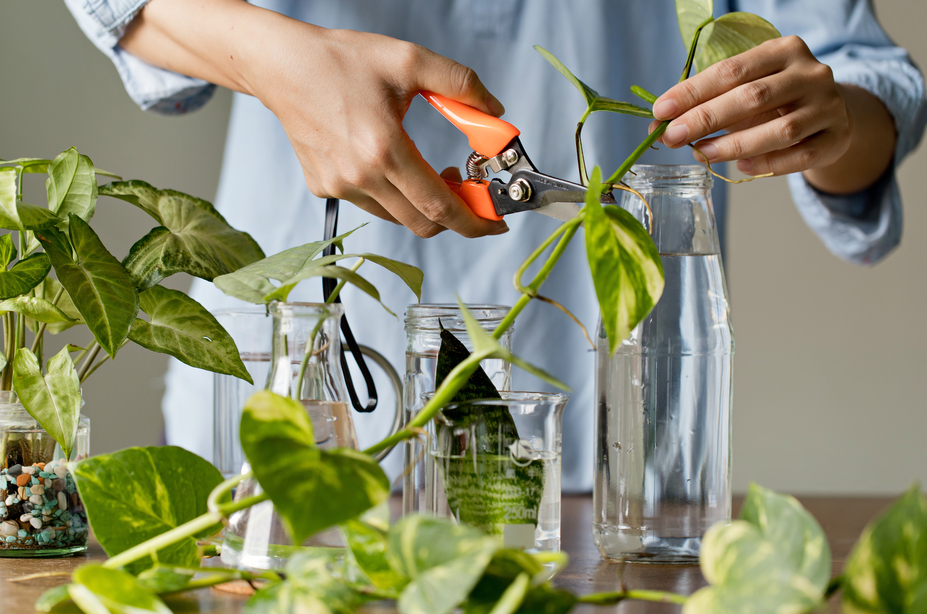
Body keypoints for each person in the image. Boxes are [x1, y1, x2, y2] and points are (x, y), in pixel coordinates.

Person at [66, 0, 925, 491]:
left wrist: (829, 120)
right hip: (291, 420)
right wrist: (281, 61)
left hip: (604, 438)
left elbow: (865, 74)